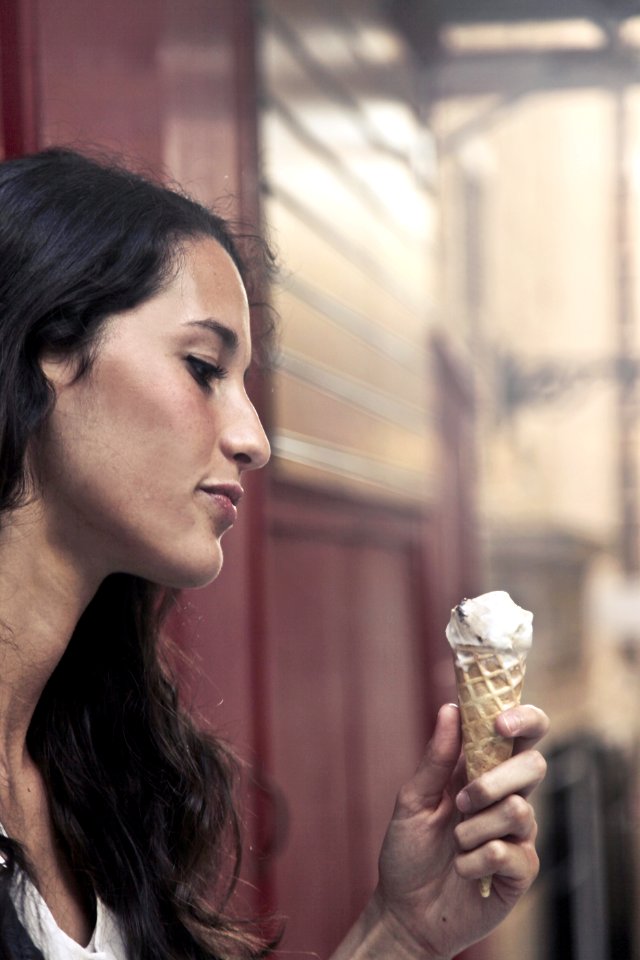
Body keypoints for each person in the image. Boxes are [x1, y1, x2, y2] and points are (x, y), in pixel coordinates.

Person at [0, 147, 548, 960]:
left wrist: (400, 932)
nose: (252, 439)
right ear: (49, 343)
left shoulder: (92, 769)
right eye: (202, 367)